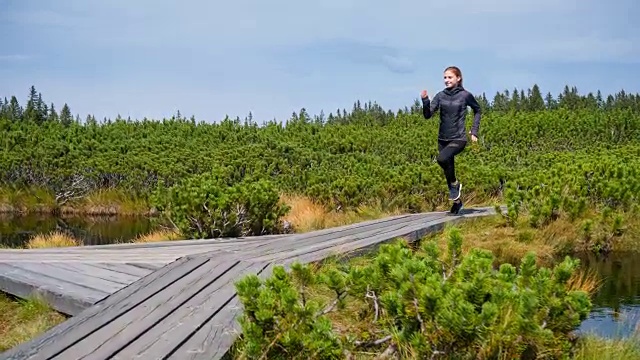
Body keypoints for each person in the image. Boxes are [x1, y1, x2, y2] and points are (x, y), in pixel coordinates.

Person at [420, 66, 481, 214]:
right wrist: (425, 101)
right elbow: (428, 115)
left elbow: (477, 110)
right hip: (442, 138)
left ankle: (455, 184)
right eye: (445, 78)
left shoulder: (465, 95)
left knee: (442, 159)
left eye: (450, 77)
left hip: (459, 138)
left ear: (458, 78)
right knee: (448, 169)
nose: (446, 80)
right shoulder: (440, 96)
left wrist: (474, 131)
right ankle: (457, 202)